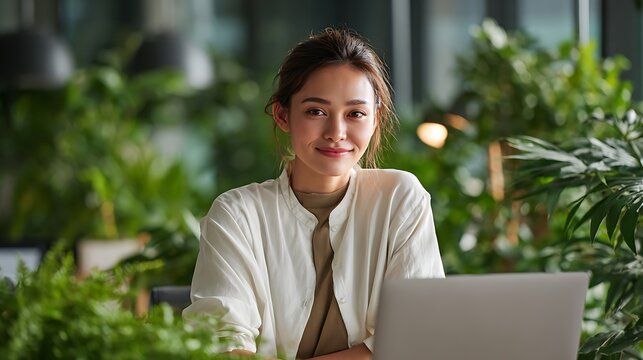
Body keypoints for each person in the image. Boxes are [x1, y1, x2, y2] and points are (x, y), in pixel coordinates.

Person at [183, 28, 445, 360]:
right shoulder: (237, 214)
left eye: (355, 114)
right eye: (316, 111)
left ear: (375, 119)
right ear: (282, 115)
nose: (337, 133)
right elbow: (222, 341)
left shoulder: (400, 199)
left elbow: (416, 337)